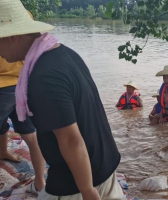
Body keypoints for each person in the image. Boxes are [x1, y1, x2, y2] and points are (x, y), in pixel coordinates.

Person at [0, 0, 126, 199]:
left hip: (77, 181)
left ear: (13, 37)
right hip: (104, 164)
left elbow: (71, 140)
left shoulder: (43, 77)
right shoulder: (64, 52)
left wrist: (87, 191)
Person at [0, 11, 45, 193]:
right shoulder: (23, 14)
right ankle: (40, 182)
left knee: (31, 134)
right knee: (31, 134)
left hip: (5, 84)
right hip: (22, 82)